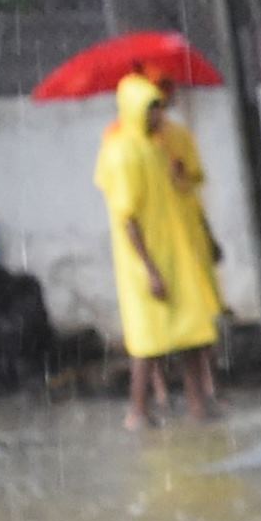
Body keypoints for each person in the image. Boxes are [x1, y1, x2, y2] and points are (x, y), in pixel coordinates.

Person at [94, 71, 223, 429]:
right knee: (148, 342)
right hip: (146, 260)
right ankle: (138, 411)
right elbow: (128, 218)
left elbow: (183, 193)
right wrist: (149, 269)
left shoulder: (160, 146)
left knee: (193, 333)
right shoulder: (122, 152)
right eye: (151, 108)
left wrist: (180, 175)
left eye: (159, 107)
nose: (158, 115)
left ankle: (198, 405)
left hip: (177, 253)